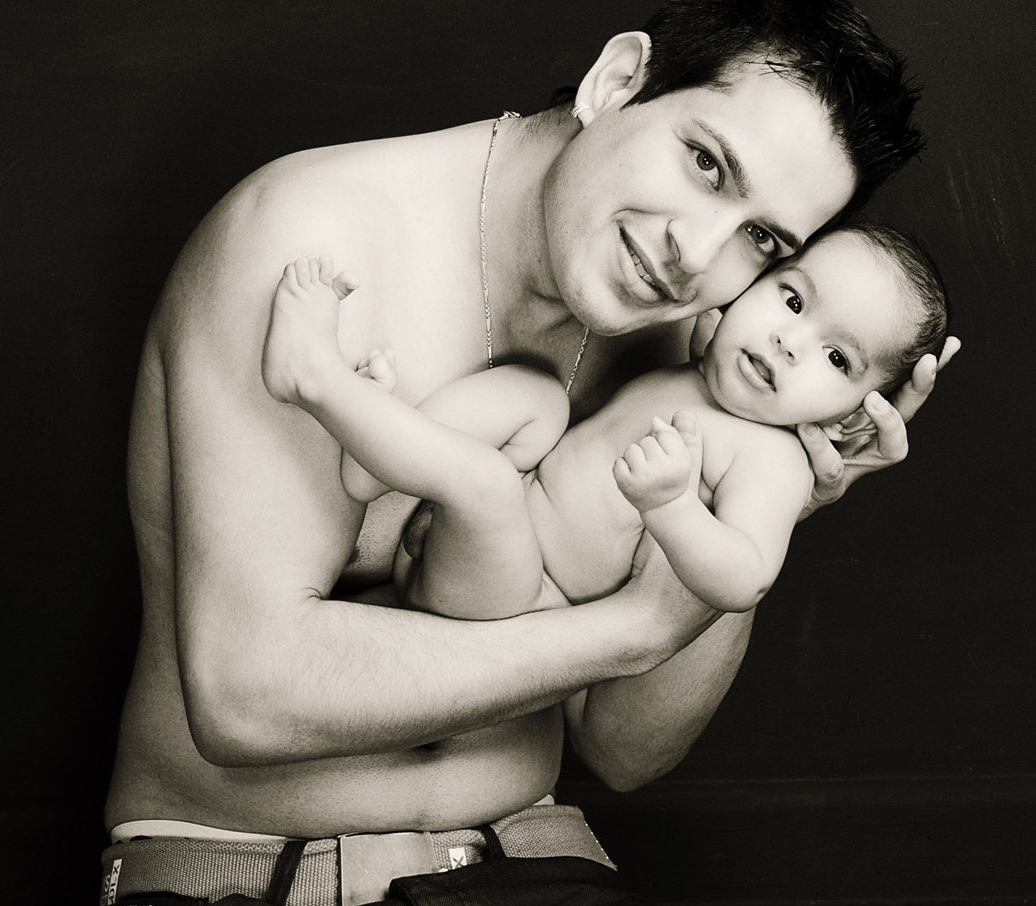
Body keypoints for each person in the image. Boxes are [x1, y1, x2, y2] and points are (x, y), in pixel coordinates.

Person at [70, 0, 958, 906]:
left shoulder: (690, 344)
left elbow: (627, 750)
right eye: (702, 161)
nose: (694, 253)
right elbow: (246, 692)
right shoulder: (317, 238)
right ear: (617, 79)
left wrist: (771, 476)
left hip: (540, 897)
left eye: (763, 245)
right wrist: (625, 630)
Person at [261, 222, 950, 620]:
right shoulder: (698, 361)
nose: (789, 343)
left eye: (836, 357)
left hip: (517, 600)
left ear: (857, 412)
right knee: (537, 400)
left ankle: (314, 379)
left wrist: (676, 507)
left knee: (487, 486)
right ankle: (378, 446)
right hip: (468, 544)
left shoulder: (774, 461)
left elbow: (746, 576)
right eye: (793, 301)